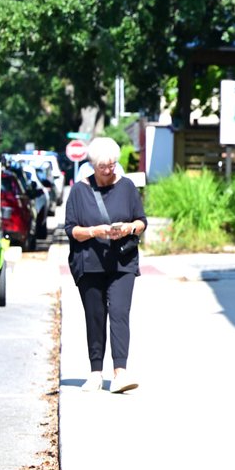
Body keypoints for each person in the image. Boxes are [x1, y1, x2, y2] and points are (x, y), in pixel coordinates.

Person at [65, 137, 146, 394]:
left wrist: (129, 228)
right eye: (104, 166)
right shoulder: (79, 191)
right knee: (95, 316)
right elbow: (71, 230)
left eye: (113, 165)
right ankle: (95, 372)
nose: (109, 170)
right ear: (93, 165)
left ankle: (120, 373)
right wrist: (95, 231)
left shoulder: (127, 187)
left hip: (122, 262)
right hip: (89, 263)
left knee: (120, 313)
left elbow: (141, 221)